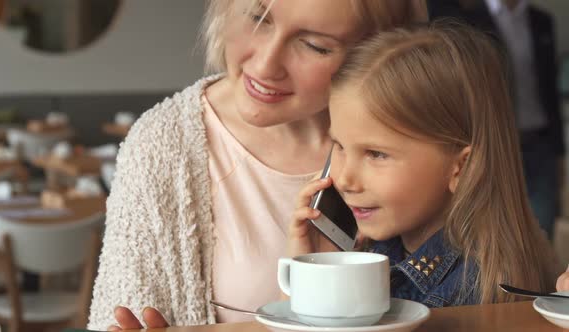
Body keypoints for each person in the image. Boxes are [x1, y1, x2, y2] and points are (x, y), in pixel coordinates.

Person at [87, 0, 428, 330]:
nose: (265, 66)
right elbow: (116, 312)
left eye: (314, 46)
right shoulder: (162, 145)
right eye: (258, 18)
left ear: (380, 47)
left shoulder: (422, 141)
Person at [289, 22, 558, 307]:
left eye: (376, 154)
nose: (344, 180)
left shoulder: (468, 295)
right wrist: (321, 272)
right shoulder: (380, 248)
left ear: (461, 167)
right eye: (340, 146)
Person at [426, 0, 565, 240]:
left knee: (542, 226)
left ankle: (541, 278)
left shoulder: (541, 20)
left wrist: (559, 151)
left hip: (540, 140)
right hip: (497, 139)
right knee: (501, 227)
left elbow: (550, 89)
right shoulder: (469, 18)